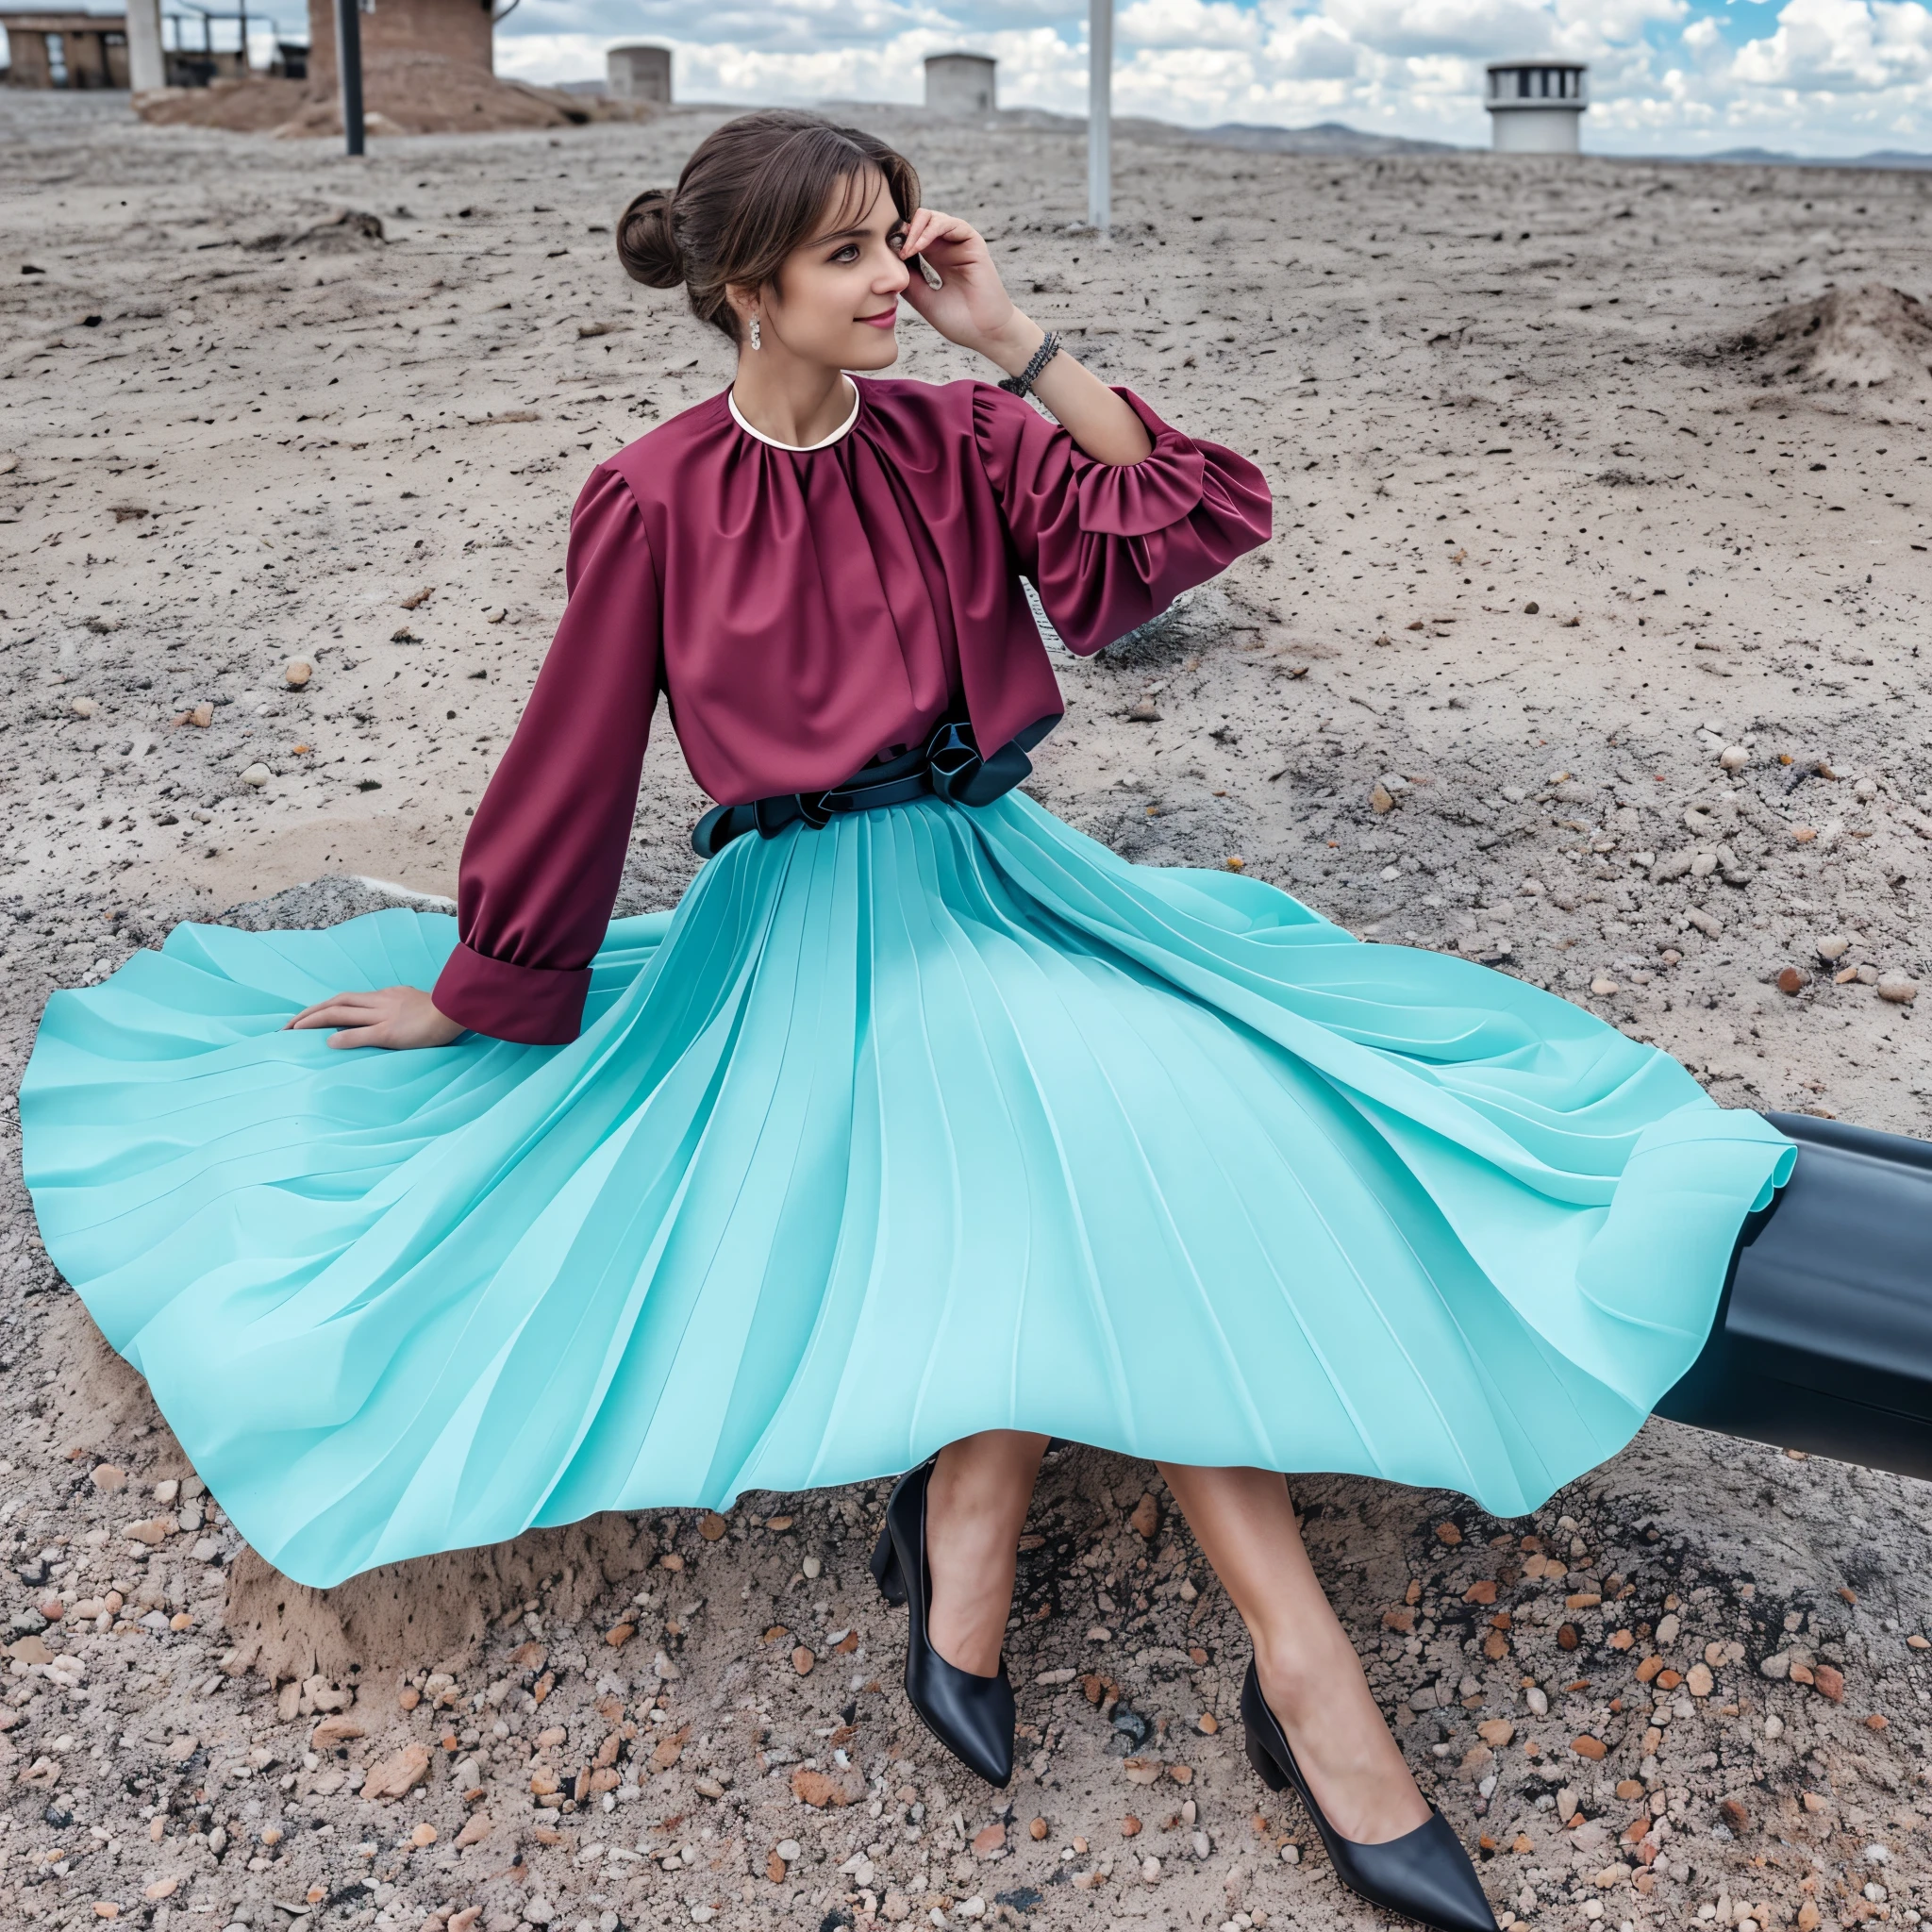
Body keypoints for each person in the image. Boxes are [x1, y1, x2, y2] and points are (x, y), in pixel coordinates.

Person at [18, 108, 1796, 1932]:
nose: (895, 275)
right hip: (804, 923)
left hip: (1004, 873)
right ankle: (1305, 1680)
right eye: (853, 255)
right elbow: (572, 756)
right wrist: (487, 988)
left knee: (1161, 1105)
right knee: (1088, 1129)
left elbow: (1189, 515)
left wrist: (1010, 336)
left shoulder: (961, 430)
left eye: (898, 237)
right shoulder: (652, 495)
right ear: (742, 292)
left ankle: (978, 1533)